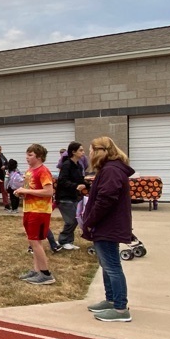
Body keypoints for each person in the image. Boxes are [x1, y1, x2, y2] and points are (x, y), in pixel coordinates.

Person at [82, 136, 134, 322]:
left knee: (112, 267)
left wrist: (90, 220)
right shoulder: (109, 169)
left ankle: (120, 309)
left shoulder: (111, 170)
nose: (88, 154)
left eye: (90, 150)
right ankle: (111, 300)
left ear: (100, 151)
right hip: (107, 225)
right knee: (106, 265)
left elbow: (105, 200)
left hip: (107, 225)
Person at [14, 143, 56, 285]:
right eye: (27, 154)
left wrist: (26, 191)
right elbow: (27, 189)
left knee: (35, 241)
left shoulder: (43, 171)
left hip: (40, 211)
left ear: (39, 157)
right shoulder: (29, 171)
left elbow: (49, 191)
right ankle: (37, 270)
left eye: (30, 155)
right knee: (33, 241)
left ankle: (45, 274)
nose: (27, 157)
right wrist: (21, 193)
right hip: (29, 209)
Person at [55, 141, 87, 250]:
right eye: (81, 150)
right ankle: (63, 241)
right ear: (73, 152)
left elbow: (81, 180)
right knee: (71, 220)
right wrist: (75, 186)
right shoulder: (67, 165)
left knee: (75, 219)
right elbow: (62, 181)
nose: (83, 152)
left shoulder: (78, 165)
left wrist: (90, 186)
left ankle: (68, 241)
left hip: (73, 197)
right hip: (64, 198)